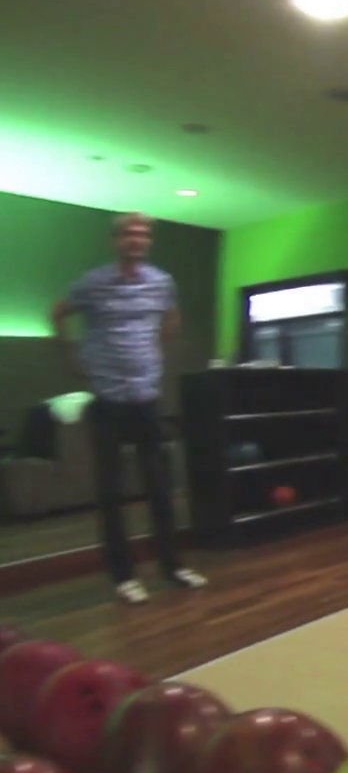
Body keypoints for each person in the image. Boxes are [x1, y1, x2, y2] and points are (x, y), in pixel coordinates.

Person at [50, 213, 208, 604]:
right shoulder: (94, 282)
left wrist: (152, 348)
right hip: (107, 399)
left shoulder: (160, 282)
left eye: (143, 233)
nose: (136, 239)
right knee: (112, 491)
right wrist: (71, 353)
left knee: (159, 487)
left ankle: (173, 567)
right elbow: (59, 311)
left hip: (146, 397)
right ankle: (124, 576)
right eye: (129, 233)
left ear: (147, 241)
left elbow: (171, 318)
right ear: (116, 240)